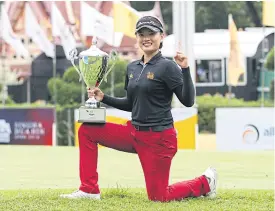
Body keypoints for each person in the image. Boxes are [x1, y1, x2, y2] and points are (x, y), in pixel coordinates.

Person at [61, 16, 218, 202]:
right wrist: (104, 98)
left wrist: (185, 69)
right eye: (141, 34)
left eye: (151, 33)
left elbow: (188, 100)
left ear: (161, 36)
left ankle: (206, 182)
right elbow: (131, 104)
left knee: (159, 197)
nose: (146, 38)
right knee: (87, 130)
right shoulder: (132, 67)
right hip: (133, 133)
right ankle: (89, 190)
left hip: (159, 140)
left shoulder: (168, 66)